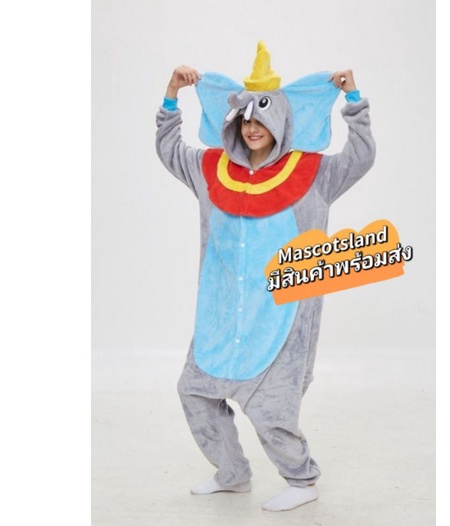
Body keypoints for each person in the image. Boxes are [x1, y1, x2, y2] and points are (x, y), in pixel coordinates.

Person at [155, 42, 375, 512]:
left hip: (280, 314)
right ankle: (232, 473)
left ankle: (301, 479)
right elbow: (170, 149)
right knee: (194, 391)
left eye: (262, 120)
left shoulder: (313, 173)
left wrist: (354, 101)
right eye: (245, 121)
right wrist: (172, 95)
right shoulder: (210, 169)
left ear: (281, 123)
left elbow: (359, 157)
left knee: (272, 408)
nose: (252, 128)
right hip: (220, 315)